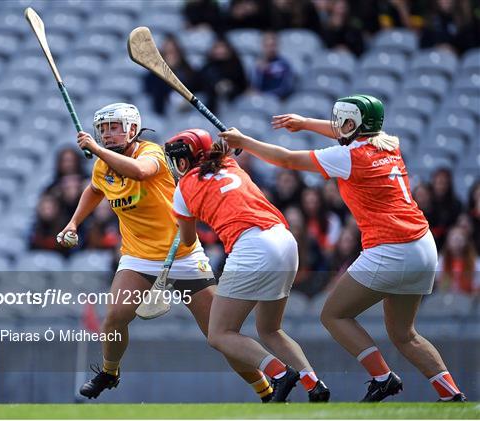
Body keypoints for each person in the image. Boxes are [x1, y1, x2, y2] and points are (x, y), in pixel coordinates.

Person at [218, 94, 467, 402]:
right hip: (423, 247)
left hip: (391, 248)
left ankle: (383, 377)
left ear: (352, 124)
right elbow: (349, 133)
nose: (335, 126)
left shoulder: (349, 157)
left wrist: (245, 141)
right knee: (405, 334)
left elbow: (286, 159)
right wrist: (306, 123)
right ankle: (452, 395)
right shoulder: (389, 144)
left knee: (334, 315)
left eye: (341, 121)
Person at [57, 103, 274, 402]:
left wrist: (96, 149)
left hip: (183, 255)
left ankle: (266, 391)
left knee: (220, 335)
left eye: (114, 127)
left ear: (132, 129)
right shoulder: (103, 165)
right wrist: (73, 222)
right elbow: (95, 189)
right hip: (138, 258)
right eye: (103, 129)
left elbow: (140, 172)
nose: (107, 134)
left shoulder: (152, 153)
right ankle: (110, 372)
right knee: (115, 317)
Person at [164, 129, 330, 403]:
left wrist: (181, 219)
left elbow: (189, 239)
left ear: (185, 160)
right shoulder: (229, 163)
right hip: (285, 240)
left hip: (252, 247)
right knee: (270, 329)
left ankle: (279, 374)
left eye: (177, 160)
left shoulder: (182, 189)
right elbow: (228, 147)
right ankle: (313, 384)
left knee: (219, 334)